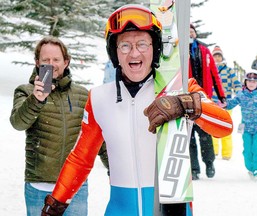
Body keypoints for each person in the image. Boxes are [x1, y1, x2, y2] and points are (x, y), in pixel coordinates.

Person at [41, 5, 233, 216]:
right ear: (114, 52)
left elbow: (224, 126)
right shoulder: (99, 98)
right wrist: (56, 203)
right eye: (125, 45)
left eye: (143, 43)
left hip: (173, 208)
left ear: (155, 48)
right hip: (119, 209)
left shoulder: (179, 88)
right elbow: (81, 158)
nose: (134, 52)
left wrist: (187, 105)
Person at [9, 36, 89, 215]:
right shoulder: (26, 91)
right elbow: (18, 123)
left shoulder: (82, 95)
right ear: (38, 63)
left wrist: (112, 169)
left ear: (66, 62)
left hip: (75, 186)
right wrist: (36, 100)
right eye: (46, 60)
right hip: (39, 187)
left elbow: (95, 137)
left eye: (56, 60)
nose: (51, 64)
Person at [219, 69, 257, 180]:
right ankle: (251, 169)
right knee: (247, 150)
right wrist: (224, 104)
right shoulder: (241, 95)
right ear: (245, 82)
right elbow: (232, 103)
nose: (251, 83)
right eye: (249, 81)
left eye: (254, 81)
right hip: (246, 128)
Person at [188, 23, 226, 180]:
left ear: (195, 34)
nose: (190, 34)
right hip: (187, 98)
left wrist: (221, 94)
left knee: (205, 135)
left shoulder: (204, 49)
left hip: (204, 97)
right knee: (189, 136)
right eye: (187, 32)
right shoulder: (179, 50)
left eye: (192, 31)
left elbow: (214, 74)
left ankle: (209, 163)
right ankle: (194, 168)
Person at [212, 46, 242, 160]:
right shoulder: (209, 69)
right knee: (213, 127)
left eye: (219, 56)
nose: (217, 58)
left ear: (222, 57)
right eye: (215, 56)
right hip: (213, 103)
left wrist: (239, 93)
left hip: (226, 103)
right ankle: (214, 151)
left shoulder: (229, 70)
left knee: (226, 127)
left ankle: (226, 153)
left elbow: (237, 84)